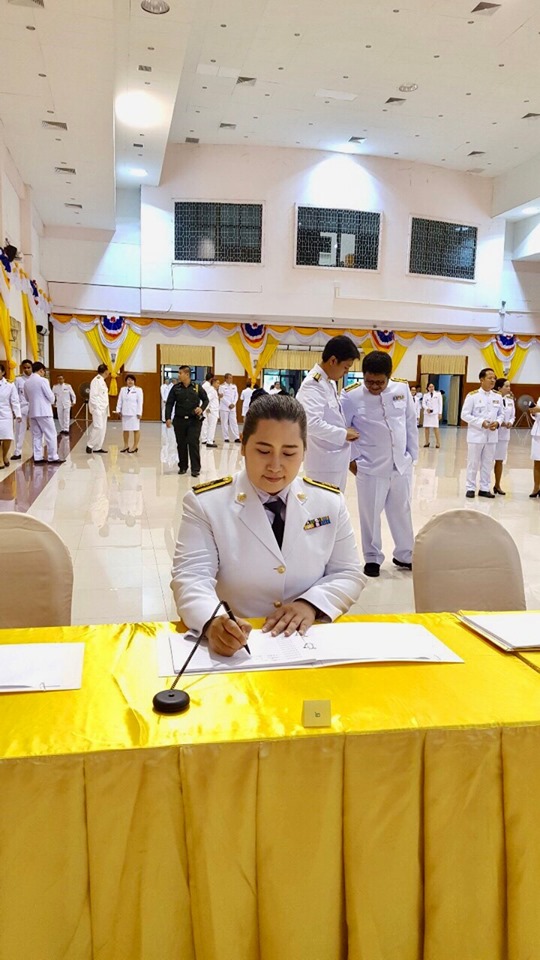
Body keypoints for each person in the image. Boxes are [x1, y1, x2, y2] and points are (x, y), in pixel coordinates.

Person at [170, 394, 364, 654]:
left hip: (308, 643)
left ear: (304, 450)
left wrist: (310, 604)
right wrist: (213, 621)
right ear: (243, 445)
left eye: (289, 453)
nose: (275, 465)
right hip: (240, 646)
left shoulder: (329, 501)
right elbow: (191, 577)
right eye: (263, 451)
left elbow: (348, 573)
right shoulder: (207, 504)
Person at [341, 351, 418, 578]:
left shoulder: (402, 389)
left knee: (402, 510)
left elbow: (410, 422)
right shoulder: (351, 396)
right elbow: (343, 430)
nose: (374, 386)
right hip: (370, 466)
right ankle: (372, 558)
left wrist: (411, 455)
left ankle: (405, 554)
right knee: (370, 515)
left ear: (389, 376)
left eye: (380, 382)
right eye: (369, 381)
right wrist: (352, 461)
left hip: (400, 465)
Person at [296, 334, 360, 491]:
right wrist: (343, 434)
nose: (346, 372)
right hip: (323, 465)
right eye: (345, 367)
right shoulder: (313, 384)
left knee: (335, 504)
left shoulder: (328, 382)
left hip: (334, 461)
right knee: (323, 505)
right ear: (333, 361)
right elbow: (310, 423)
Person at [461, 367, 504, 499]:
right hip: (476, 435)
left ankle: (484, 488)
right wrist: (481, 422)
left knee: (487, 462)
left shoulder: (497, 396)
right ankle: (470, 487)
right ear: (481, 380)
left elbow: (501, 414)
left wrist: (498, 423)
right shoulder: (473, 396)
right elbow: (464, 414)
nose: (493, 380)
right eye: (489, 378)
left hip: (492, 436)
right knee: (473, 462)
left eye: (494, 378)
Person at [165, 364, 209, 476]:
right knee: (181, 444)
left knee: (193, 443)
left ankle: (195, 469)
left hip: (194, 421)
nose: (178, 375)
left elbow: (206, 400)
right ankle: (183, 466)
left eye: (180, 373)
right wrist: (168, 418)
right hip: (179, 420)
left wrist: (201, 408)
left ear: (187, 374)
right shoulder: (176, 388)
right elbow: (169, 403)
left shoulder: (197, 387)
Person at [24, 362, 63, 464]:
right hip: (44, 411)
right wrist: (52, 400)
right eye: (43, 371)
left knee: (36, 435)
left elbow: (26, 398)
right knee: (51, 434)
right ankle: (52, 456)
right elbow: (50, 397)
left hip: (32, 411)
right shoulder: (43, 380)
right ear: (41, 370)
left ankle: (37, 457)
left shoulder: (27, 382)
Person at [492, 378, 515, 495]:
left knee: (499, 460)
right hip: (493, 433)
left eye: (509, 386)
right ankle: (484, 485)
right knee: (487, 461)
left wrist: (510, 422)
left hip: (504, 435)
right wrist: (500, 423)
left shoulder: (510, 400)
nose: (509, 388)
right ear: (499, 388)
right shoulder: (494, 399)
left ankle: (497, 485)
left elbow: (513, 416)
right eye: (506, 386)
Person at [0, 363, 21, 467]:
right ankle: (0, 460)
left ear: (3, 372)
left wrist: (18, 414)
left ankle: (4, 456)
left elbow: (15, 401)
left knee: (7, 437)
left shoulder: (9, 385)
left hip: (6, 415)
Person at [115, 374, 144, 453]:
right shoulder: (123, 389)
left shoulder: (138, 390)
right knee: (125, 429)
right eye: (128, 380)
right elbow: (120, 401)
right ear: (126, 381)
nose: (130, 381)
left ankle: (135, 446)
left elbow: (140, 402)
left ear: (134, 381)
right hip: (125, 413)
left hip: (134, 413)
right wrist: (118, 410)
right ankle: (126, 445)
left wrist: (139, 412)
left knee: (136, 429)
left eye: (131, 380)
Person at [86, 363, 111, 454]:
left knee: (103, 428)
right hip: (98, 408)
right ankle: (90, 445)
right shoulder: (96, 380)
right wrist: (97, 407)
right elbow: (93, 396)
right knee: (98, 427)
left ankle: (98, 447)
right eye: (108, 370)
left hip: (104, 408)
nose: (109, 372)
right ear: (105, 371)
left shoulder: (102, 381)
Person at [11, 358, 32, 460]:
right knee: (19, 430)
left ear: (32, 368)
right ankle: (17, 452)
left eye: (28, 367)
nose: (26, 369)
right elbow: (14, 395)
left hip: (34, 407)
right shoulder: (18, 380)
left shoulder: (36, 379)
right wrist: (14, 410)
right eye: (25, 368)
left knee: (36, 430)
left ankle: (37, 452)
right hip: (22, 407)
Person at [219, 373, 240, 442]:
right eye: (230, 378)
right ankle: (226, 437)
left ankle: (236, 437)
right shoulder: (221, 387)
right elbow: (221, 397)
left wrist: (233, 403)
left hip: (233, 407)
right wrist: (228, 404)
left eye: (231, 378)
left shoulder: (234, 386)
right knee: (224, 423)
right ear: (226, 379)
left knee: (234, 422)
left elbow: (236, 396)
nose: (231, 379)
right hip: (224, 407)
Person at [200, 376, 220, 448]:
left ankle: (208, 439)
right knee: (212, 426)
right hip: (212, 411)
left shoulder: (213, 390)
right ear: (213, 383)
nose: (218, 385)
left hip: (213, 410)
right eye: (217, 383)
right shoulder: (212, 390)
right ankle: (209, 441)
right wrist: (208, 408)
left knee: (210, 426)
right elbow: (207, 399)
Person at [422, 383, 443, 448]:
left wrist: (440, 413)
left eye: (432, 386)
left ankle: (438, 443)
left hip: (435, 413)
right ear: (428, 388)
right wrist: (427, 408)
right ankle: (427, 442)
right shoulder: (425, 395)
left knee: (436, 428)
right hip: (427, 413)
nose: (431, 388)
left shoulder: (438, 394)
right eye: (430, 387)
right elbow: (423, 403)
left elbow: (440, 404)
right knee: (426, 428)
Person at [529, 396, 540, 497]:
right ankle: (536, 487)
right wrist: (533, 412)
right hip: (537, 433)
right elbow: (537, 416)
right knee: (537, 461)